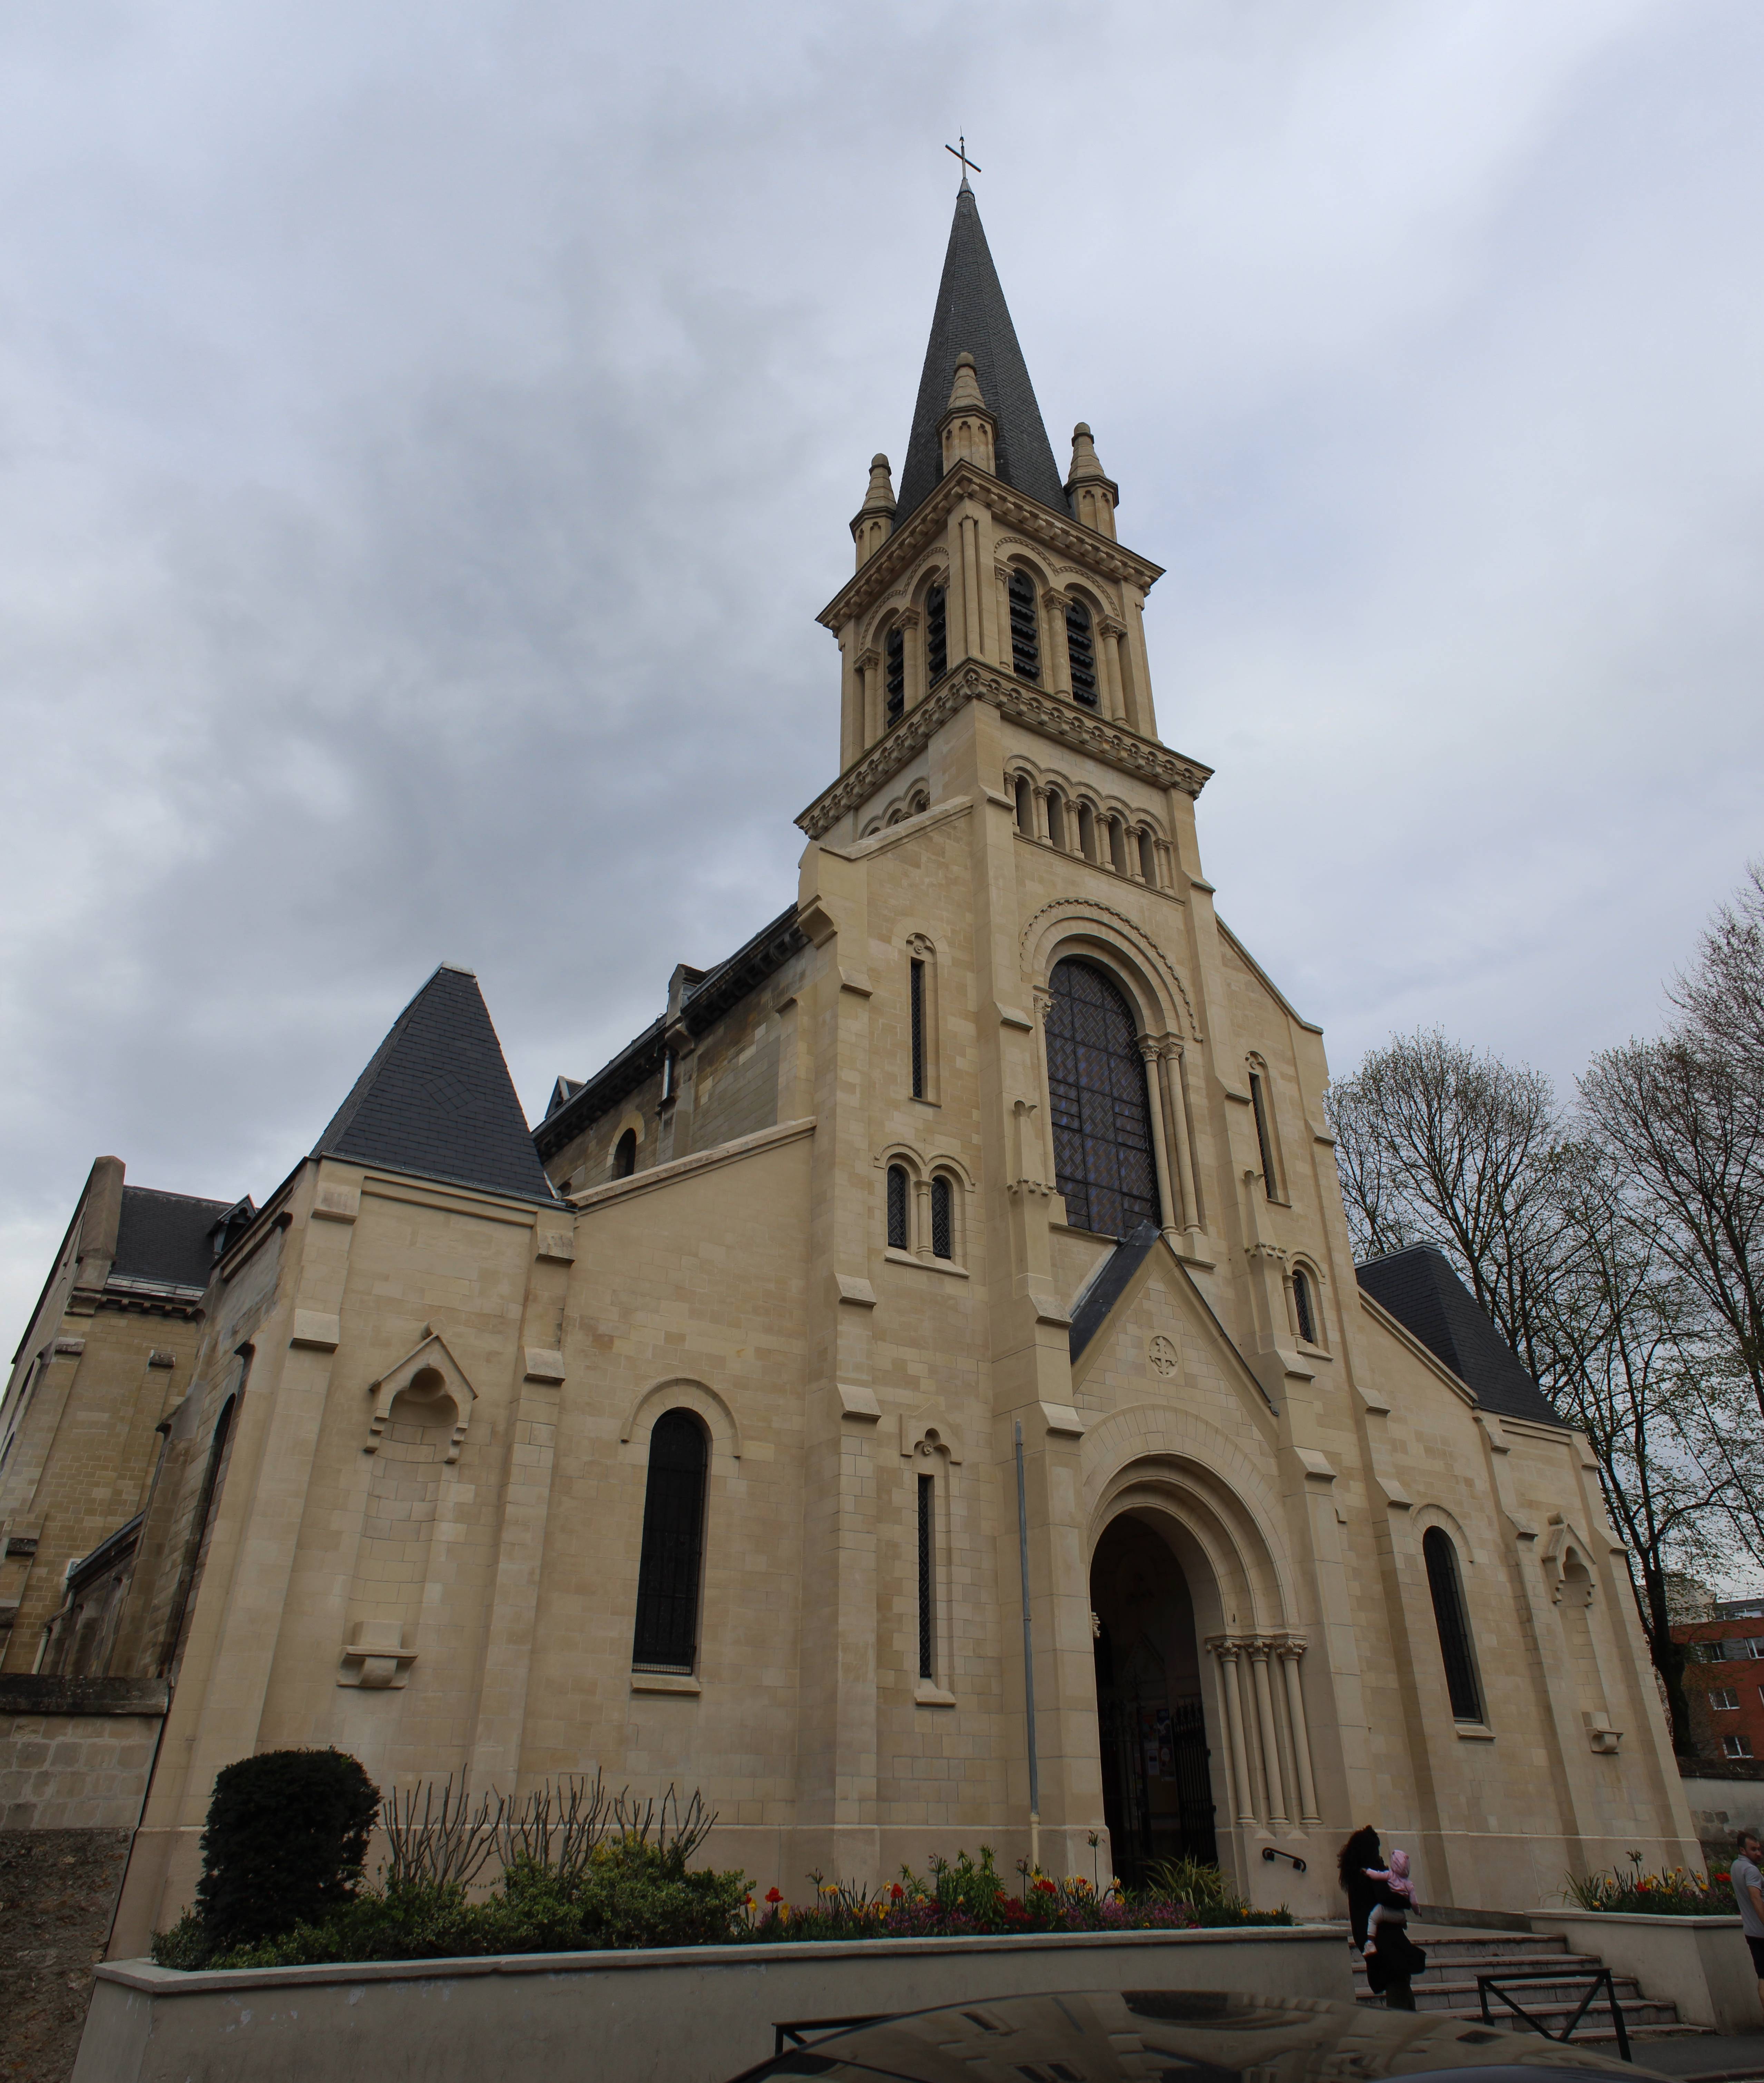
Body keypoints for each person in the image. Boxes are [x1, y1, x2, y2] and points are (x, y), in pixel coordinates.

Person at [1338, 1825, 1425, 2011]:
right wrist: (1406, 1900)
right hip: (1387, 1944)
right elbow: (1386, 1897)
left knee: (1401, 1990)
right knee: (1400, 1997)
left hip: (1379, 1944)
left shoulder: (1356, 1876)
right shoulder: (1371, 1873)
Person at [1733, 1830, 1764, 2015]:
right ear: (1743, 1850)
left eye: (1759, 1849)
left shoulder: (1736, 1866)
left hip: (1751, 1931)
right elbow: (1755, 1898)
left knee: (1762, 1977)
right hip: (1761, 1931)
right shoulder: (1751, 1871)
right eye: (1754, 1850)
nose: (1759, 1853)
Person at [1363, 1847, 1414, 1956]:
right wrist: (1417, 1910)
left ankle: (1370, 1944)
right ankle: (1403, 1921)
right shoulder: (1408, 1883)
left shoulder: (1389, 1875)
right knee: (1400, 1915)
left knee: (1373, 1918)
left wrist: (1367, 1871)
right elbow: (1414, 1901)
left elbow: (1376, 1875)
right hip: (1400, 1915)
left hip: (1386, 1912)